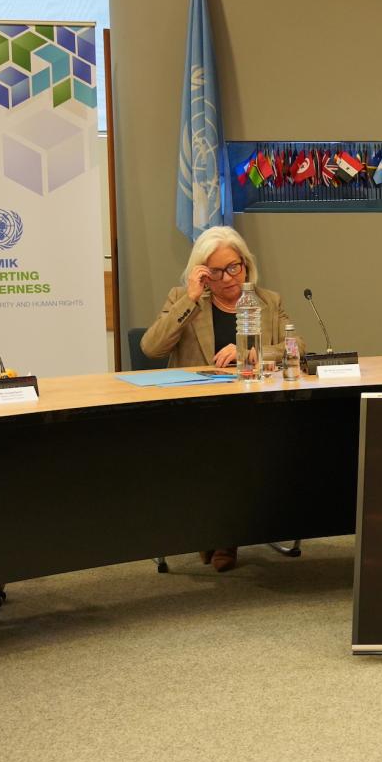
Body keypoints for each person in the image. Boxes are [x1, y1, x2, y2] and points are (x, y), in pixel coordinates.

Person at [140, 225, 291, 572]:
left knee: (241, 442)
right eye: (217, 272)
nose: (228, 278)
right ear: (203, 274)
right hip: (197, 411)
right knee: (218, 444)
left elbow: (293, 347)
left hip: (252, 408)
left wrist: (251, 351)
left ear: (246, 264)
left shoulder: (268, 301)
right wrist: (190, 298)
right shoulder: (183, 299)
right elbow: (150, 348)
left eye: (233, 267)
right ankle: (212, 529)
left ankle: (225, 536)